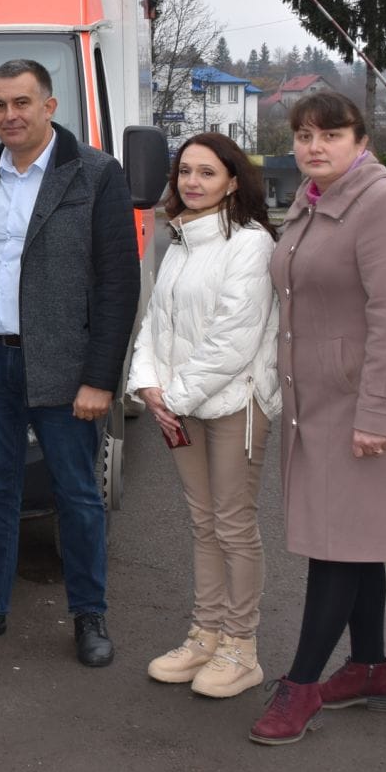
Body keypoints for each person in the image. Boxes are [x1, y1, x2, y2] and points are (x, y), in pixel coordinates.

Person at [0, 58, 139, 667]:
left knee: (76, 495)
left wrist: (100, 378)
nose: (9, 116)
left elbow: (117, 284)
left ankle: (89, 615)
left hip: (65, 368)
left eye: (21, 103)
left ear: (50, 106)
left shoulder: (95, 174)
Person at [250, 91, 386, 746]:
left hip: (361, 405)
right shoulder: (309, 203)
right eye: (303, 135)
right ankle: (370, 668)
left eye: (330, 134)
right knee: (355, 539)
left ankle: (300, 685)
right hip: (316, 405)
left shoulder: (385, 207)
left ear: (361, 139)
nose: (313, 146)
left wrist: (378, 415)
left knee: (336, 547)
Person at [126, 132, 281, 698]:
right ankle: (204, 635)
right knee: (203, 523)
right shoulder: (179, 241)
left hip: (235, 404)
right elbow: (153, 323)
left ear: (233, 181)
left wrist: (174, 399)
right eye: (185, 172)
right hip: (180, 408)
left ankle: (243, 648)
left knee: (234, 526)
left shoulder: (250, 243)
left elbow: (232, 340)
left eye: (207, 173)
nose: (192, 182)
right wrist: (146, 384)